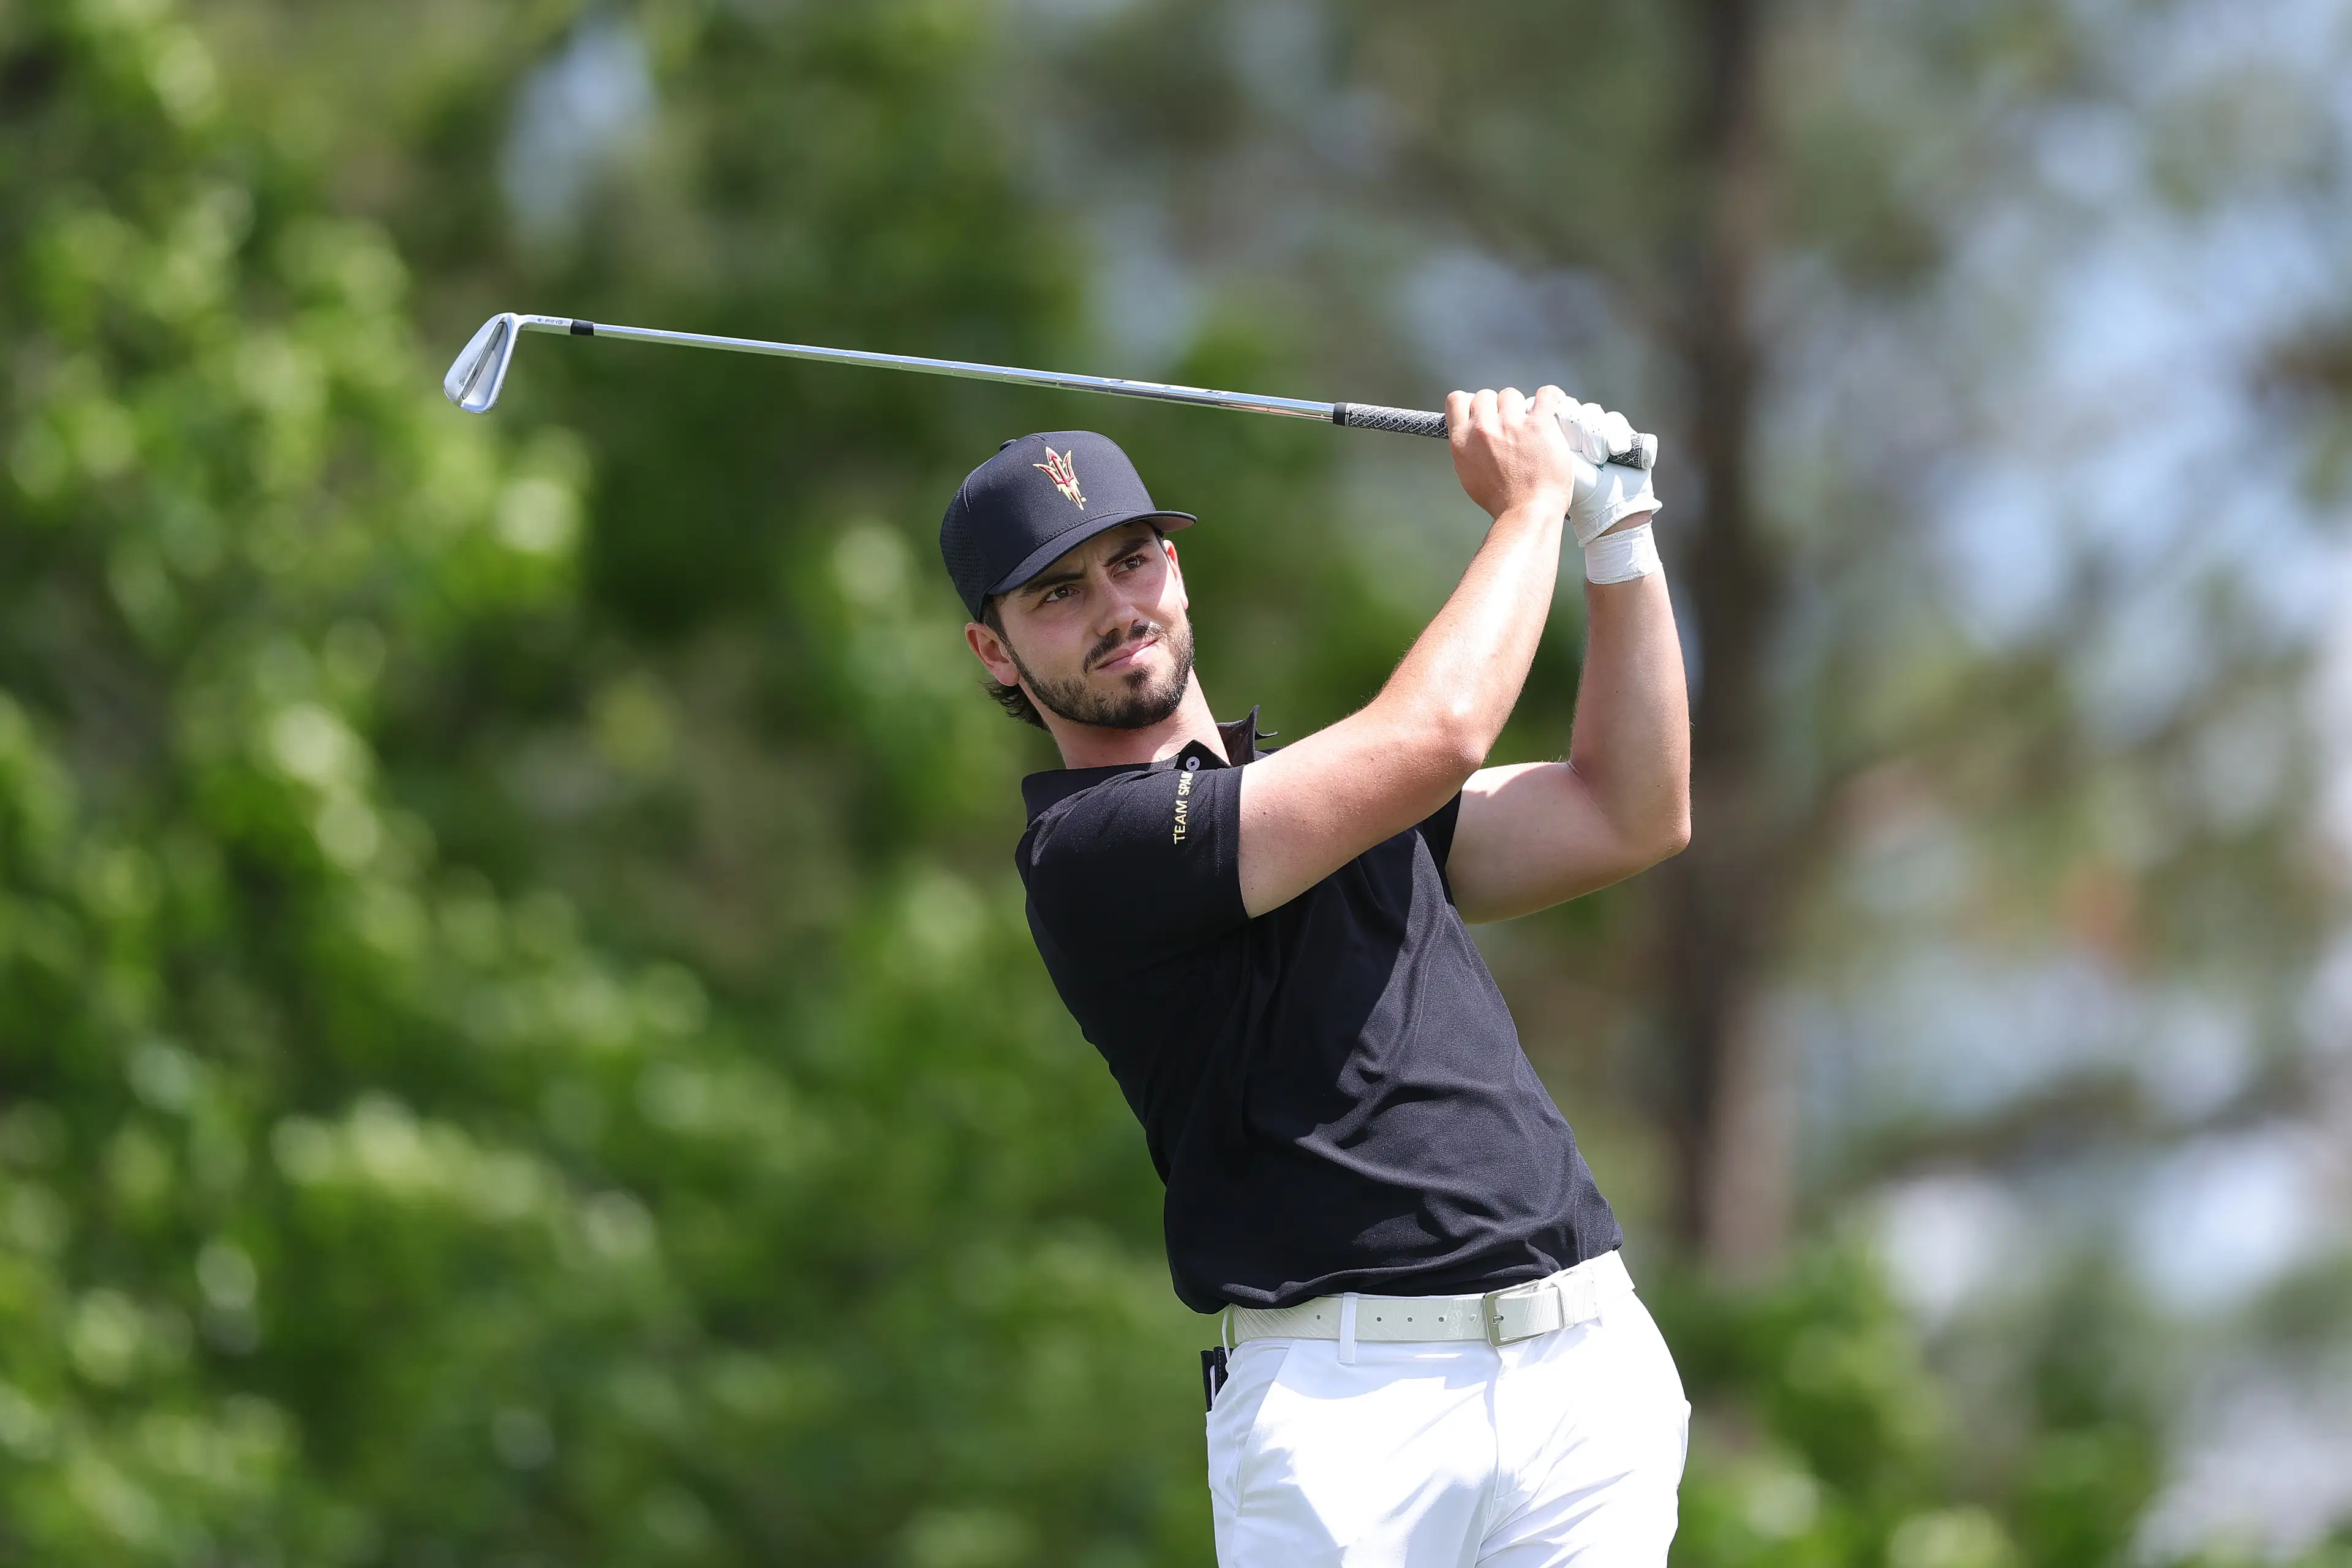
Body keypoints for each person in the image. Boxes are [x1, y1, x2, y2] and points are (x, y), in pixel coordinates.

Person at [937, 386, 1692, 1566]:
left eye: (1132, 562)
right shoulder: (1089, 853)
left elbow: (1628, 813)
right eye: (1057, 593)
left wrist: (1619, 532)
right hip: (1349, 1418)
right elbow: (1438, 734)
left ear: (1176, 568)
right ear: (994, 649)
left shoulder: (1326, 794)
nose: (1115, 609)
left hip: (1582, 1365)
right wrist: (1532, 505)